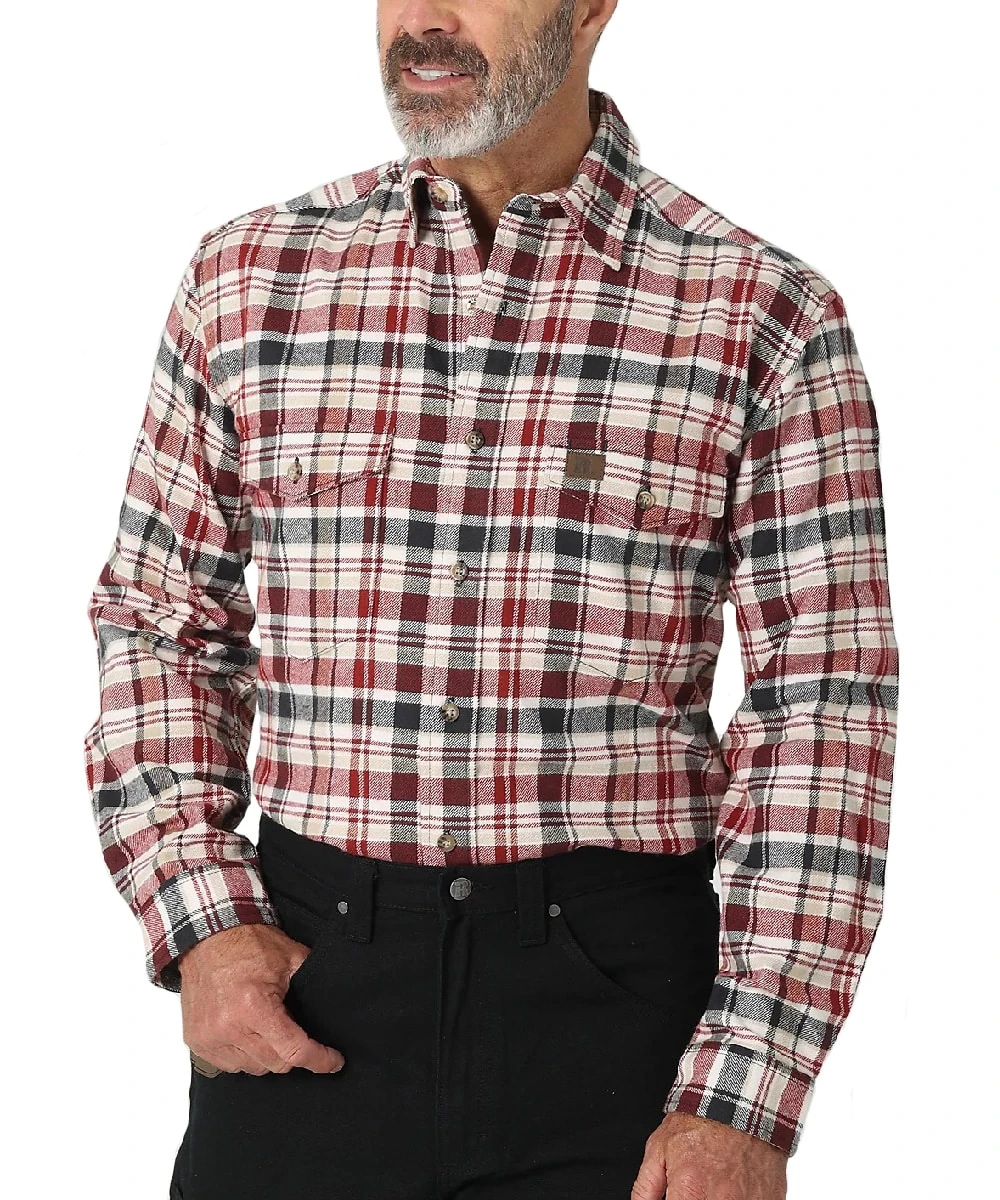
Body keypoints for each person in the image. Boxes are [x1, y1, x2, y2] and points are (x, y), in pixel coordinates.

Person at [82, 2, 898, 1197]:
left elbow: (822, 710)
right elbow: (162, 621)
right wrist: (201, 921)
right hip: (305, 984)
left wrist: (747, 1093)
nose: (422, 19)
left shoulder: (760, 312)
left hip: (617, 1008)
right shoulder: (249, 277)